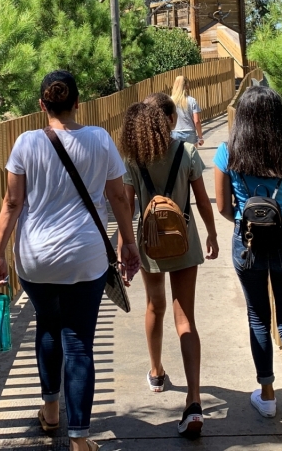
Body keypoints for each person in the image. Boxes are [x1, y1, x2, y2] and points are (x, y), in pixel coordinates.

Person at [0, 71, 141, 451]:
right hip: (84, 257)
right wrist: (128, 243)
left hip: (36, 258)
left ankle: (51, 411)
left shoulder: (25, 143)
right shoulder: (100, 139)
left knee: (47, 325)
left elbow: (12, 202)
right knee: (78, 342)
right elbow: (118, 198)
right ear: (77, 102)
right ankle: (79, 440)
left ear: (42, 105)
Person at [212, 86, 282, 451]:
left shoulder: (228, 151)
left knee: (259, 317)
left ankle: (268, 395)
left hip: (247, 241)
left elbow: (223, 207)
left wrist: (245, 221)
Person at [119, 95, 219, 438]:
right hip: (184, 240)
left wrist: (124, 247)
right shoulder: (186, 152)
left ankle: (157, 372)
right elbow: (202, 200)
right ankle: (194, 400)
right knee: (185, 318)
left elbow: (127, 207)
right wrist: (212, 234)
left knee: (154, 306)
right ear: (169, 120)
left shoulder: (134, 159)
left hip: (150, 244)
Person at [170, 75, 204, 147]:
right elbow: (197, 121)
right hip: (189, 133)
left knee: (177, 154)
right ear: (186, 86)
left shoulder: (170, 101)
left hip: (174, 133)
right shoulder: (192, 100)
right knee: (191, 153)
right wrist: (200, 137)